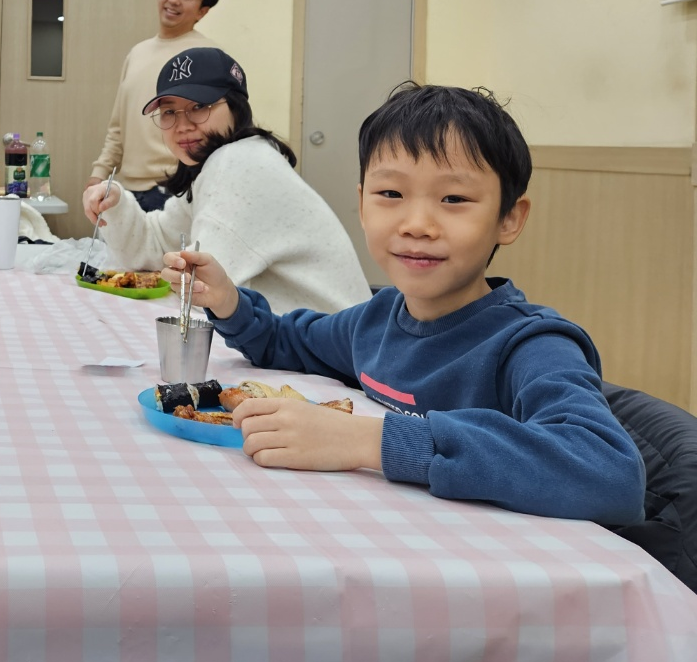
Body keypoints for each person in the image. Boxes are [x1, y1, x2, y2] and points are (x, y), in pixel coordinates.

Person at [164, 82, 645, 525]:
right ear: (362, 204)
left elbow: (608, 473)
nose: (416, 224)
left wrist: (363, 440)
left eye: (454, 199)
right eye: (390, 193)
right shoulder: (376, 321)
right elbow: (283, 342)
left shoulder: (531, 344)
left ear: (509, 219)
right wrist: (227, 300)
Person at [84, 48, 368, 315]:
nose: (182, 125)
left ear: (236, 108)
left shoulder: (240, 163)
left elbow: (201, 293)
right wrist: (115, 203)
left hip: (334, 345)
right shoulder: (220, 165)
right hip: (308, 337)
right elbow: (156, 245)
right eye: (169, 112)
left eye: (199, 106)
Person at [88, 0, 219, 212]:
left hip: (173, 192)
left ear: (202, 11)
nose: (174, 0)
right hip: (125, 191)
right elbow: (118, 127)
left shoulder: (207, 56)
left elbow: (215, 130)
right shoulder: (138, 53)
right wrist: (99, 173)